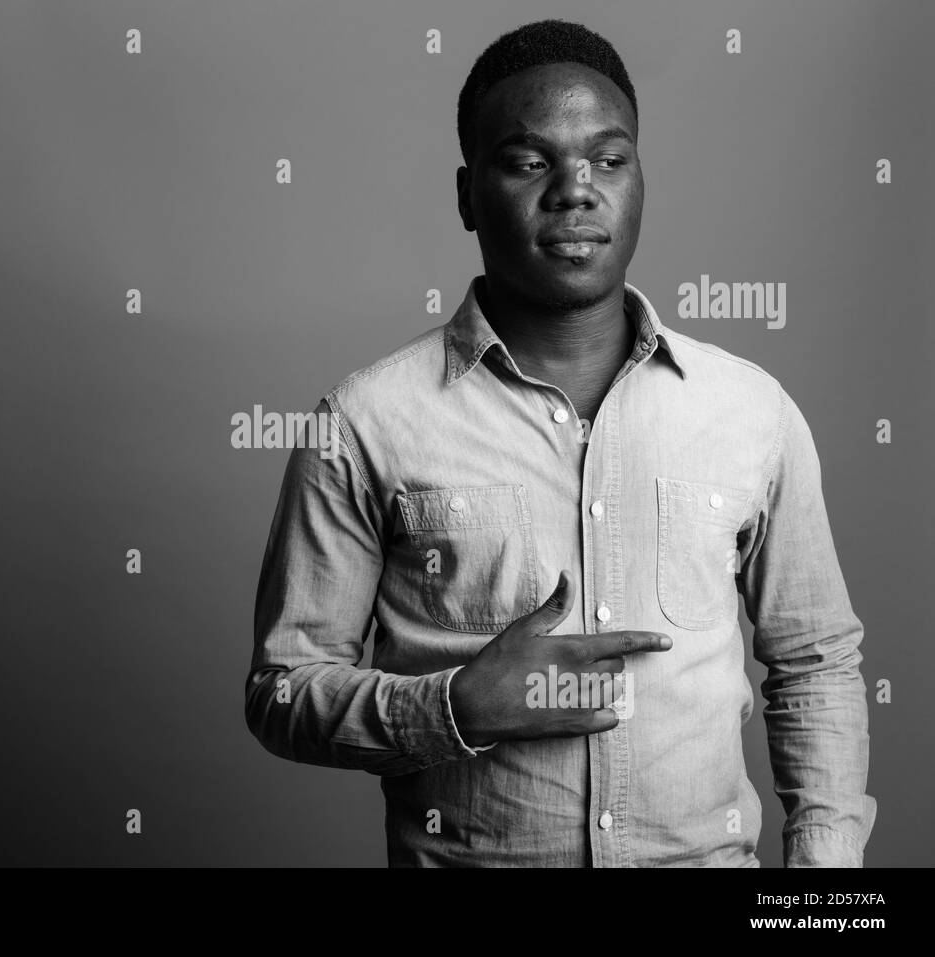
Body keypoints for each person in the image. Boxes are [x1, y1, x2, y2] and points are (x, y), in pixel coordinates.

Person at [244, 18, 875, 867]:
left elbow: (816, 663)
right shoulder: (363, 423)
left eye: (608, 161)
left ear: (639, 182)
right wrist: (458, 705)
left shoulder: (752, 411)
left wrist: (822, 892)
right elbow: (285, 689)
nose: (575, 190)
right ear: (469, 194)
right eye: (529, 161)